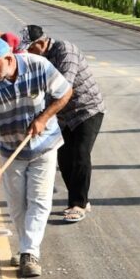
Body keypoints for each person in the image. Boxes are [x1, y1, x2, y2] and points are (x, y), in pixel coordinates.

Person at [0, 36, 73, 278]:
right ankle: (26, 246)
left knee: (39, 201)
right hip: (11, 150)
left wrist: (44, 118)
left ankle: (30, 253)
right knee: (17, 206)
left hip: (44, 145)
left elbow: (65, 92)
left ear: (8, 58)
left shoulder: (38, 65)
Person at [22, 24, 105, 223]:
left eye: (31, 48)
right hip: (64, 115)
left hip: (87, 110)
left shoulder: (65, 51)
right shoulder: (40, 60)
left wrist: (42, 118)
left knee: (80, 155)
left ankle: (78, 204)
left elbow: (63, 87)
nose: (29, 53)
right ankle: (81, 198)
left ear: (41, 43)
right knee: (64, 159)